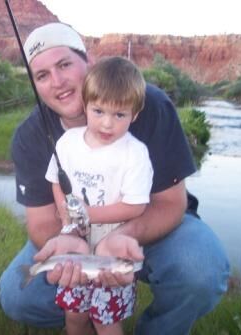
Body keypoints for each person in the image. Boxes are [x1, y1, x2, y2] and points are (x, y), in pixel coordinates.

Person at [0, 22, 230, 335]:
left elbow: (171, 204)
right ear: (35, 85)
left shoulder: (150, 106)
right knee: (17, 296)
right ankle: (88, 315)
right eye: (41, 75)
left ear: (88, 62)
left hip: (151, 224)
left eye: (64, 64)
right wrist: (73, 243)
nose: (58, 82)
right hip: (75, 236)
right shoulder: (30, 136)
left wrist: (119, 240)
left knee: (201, 270)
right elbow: (41, 225)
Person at [45, 56, 153, 335]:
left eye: (119, 115)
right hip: (75, 250)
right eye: (98, 111)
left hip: (112, 255)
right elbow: (56, 180)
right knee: (74, 315)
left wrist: (90, 214)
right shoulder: (67, 143)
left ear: (135, 115)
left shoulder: (135, 153)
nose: (107, 124)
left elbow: (136, 205)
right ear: (85, 105)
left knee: (107, 321)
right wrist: (67, 217)